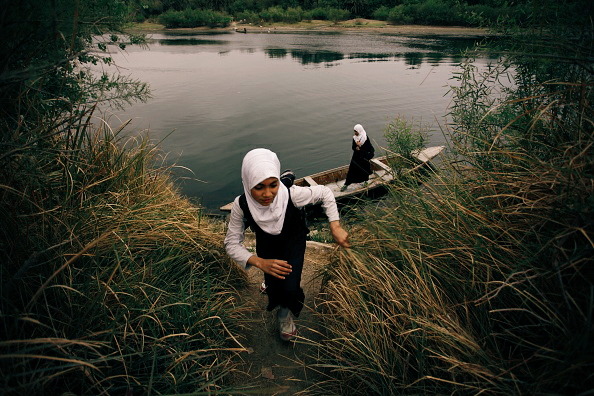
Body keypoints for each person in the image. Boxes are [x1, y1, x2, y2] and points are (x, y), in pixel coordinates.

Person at [224, 148, 350, 341]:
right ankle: (286, 177)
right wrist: (259, 262)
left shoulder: (292, 195)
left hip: (294, 242)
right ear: (248, 183)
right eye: (259, 187)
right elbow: (231, 243)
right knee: (271, 272)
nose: (268, 194)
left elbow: (325, 192)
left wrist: (335, 226)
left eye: (273, 185)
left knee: (289, 286)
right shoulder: (241, 205)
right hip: (266, 246)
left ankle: (284, 314)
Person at [340, 124, 375, 192]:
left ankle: (365, 181)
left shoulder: (365, 138)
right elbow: (353, 147)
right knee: (352, 170)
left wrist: (361, 148)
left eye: (356, 131)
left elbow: (369, 148)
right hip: (356, 157)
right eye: (354, 131)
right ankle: (346, 184)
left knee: (364, 169)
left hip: (363, 157)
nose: (355, 133)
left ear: (359, 131)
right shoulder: (354, 138)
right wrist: (356, 148)